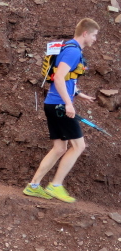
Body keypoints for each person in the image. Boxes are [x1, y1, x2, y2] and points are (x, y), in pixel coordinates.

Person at [23, 18, 99, 203]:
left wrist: (78, 94)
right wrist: (68, 104)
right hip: (59, 105)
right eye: (94, 35)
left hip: (52, 103)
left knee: (59, 148)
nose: (95, 39)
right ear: (85, 33)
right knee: (79, 146)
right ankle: (55, 185)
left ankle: (33, 185)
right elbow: (58, 78)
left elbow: (66, 78)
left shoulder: (67, 47)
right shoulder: (73, 51)